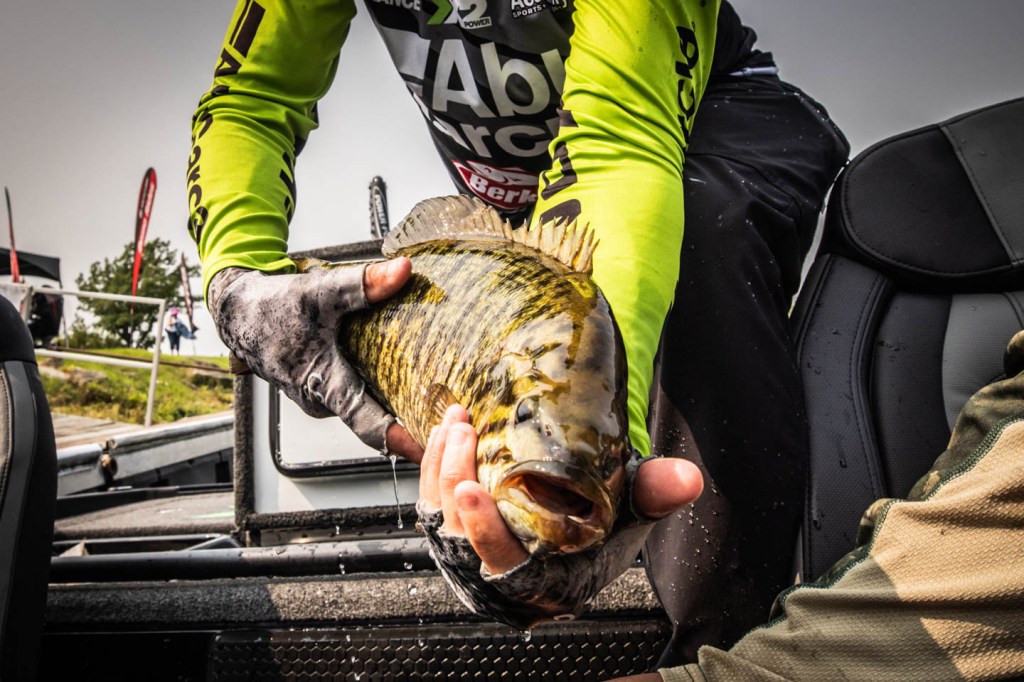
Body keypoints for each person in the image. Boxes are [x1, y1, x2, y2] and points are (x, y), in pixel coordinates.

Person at [188, 0, 848, 663]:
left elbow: (619, 147)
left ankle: (733, 654)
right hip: (538, 195)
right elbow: (252, 99)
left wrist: (610, 461)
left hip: (717, 130)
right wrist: (235, 278)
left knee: (702, 236)